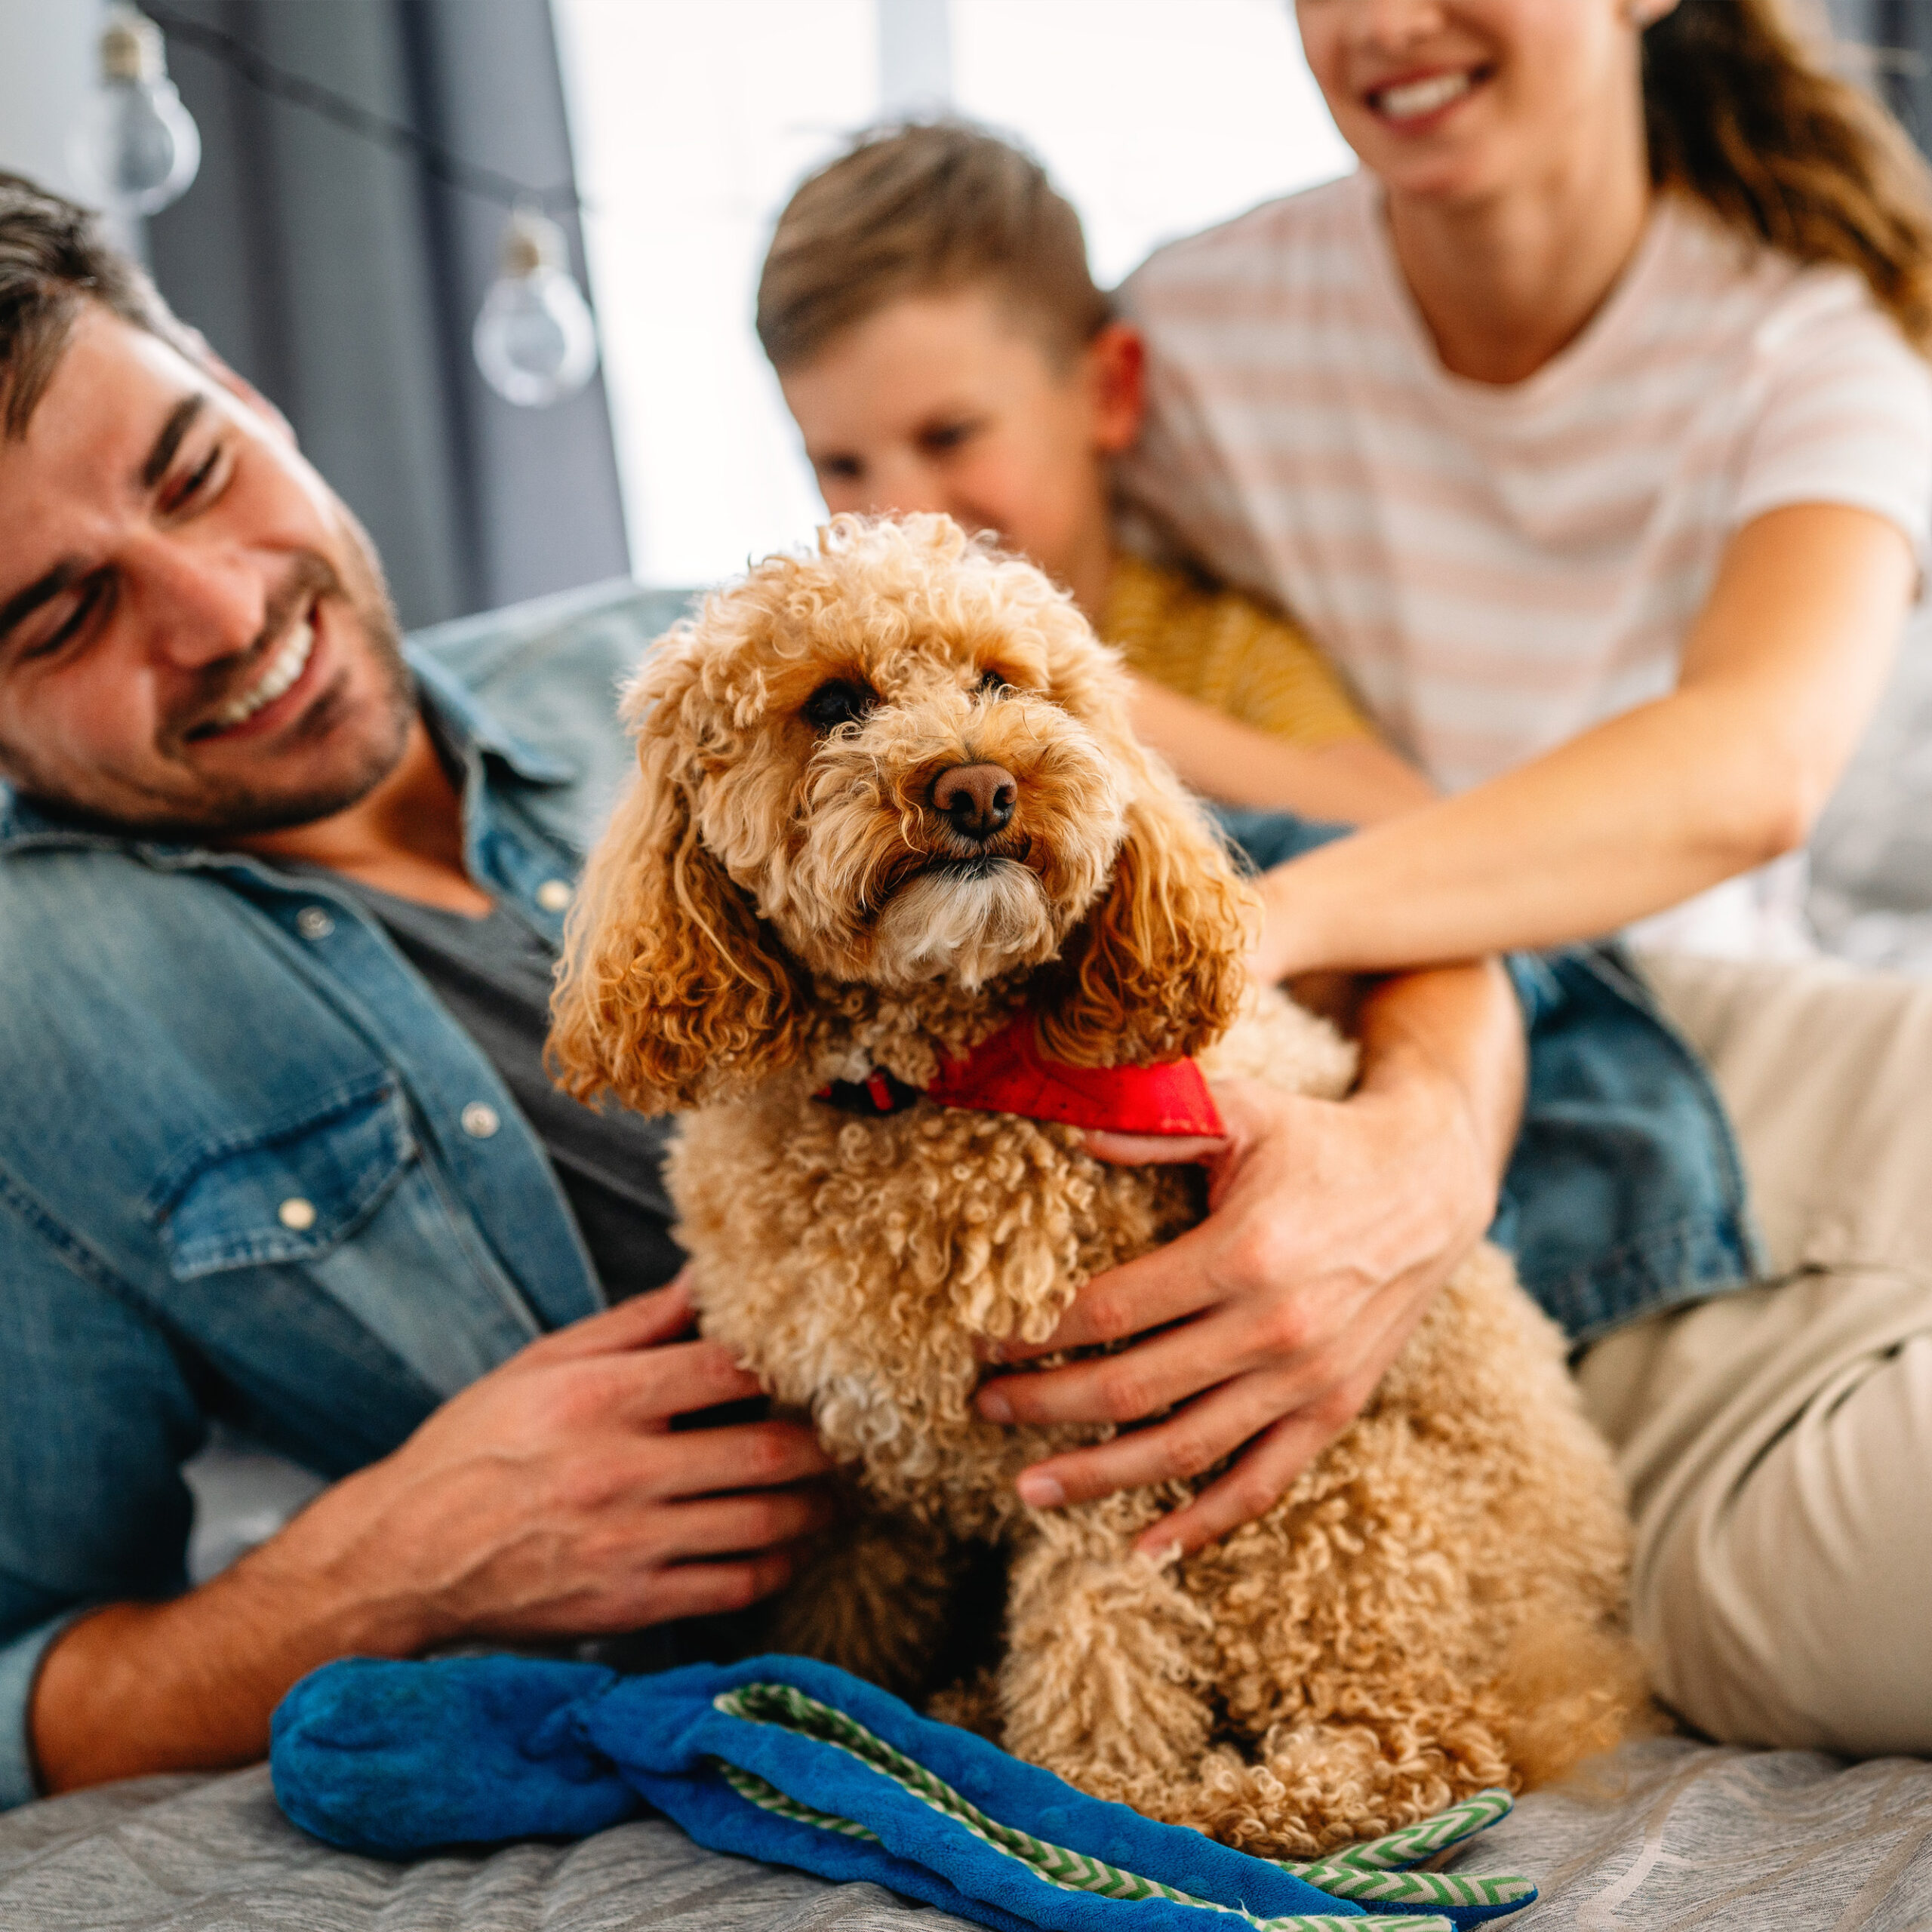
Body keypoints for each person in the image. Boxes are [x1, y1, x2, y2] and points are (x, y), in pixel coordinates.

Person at [0, 171, 1635, 1809]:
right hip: (887, 1562)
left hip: (1538, 1235)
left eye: (196, 469)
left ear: (250, 394)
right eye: (67, 613)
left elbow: (1423, 881)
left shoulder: (674, 632)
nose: (220, 612)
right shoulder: (34, 1014)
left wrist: (1412, 1159)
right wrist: (364, 1579)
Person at [1106, 0, 1932, 1753]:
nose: (1386, 25)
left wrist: (1272, 914)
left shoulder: (1807, 334)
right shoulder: (1185, 334)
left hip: (1715, 1037)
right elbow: (1007, 609)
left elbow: (1750, 762)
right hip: (1531, 1258)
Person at [757, 122, 1434, 826]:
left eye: (950, 437)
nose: (901, 518)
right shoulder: (812, 684)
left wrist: (1083, 693)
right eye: (839, 464)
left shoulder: (1221, 656)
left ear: (1107, 393)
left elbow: (1411, 829)